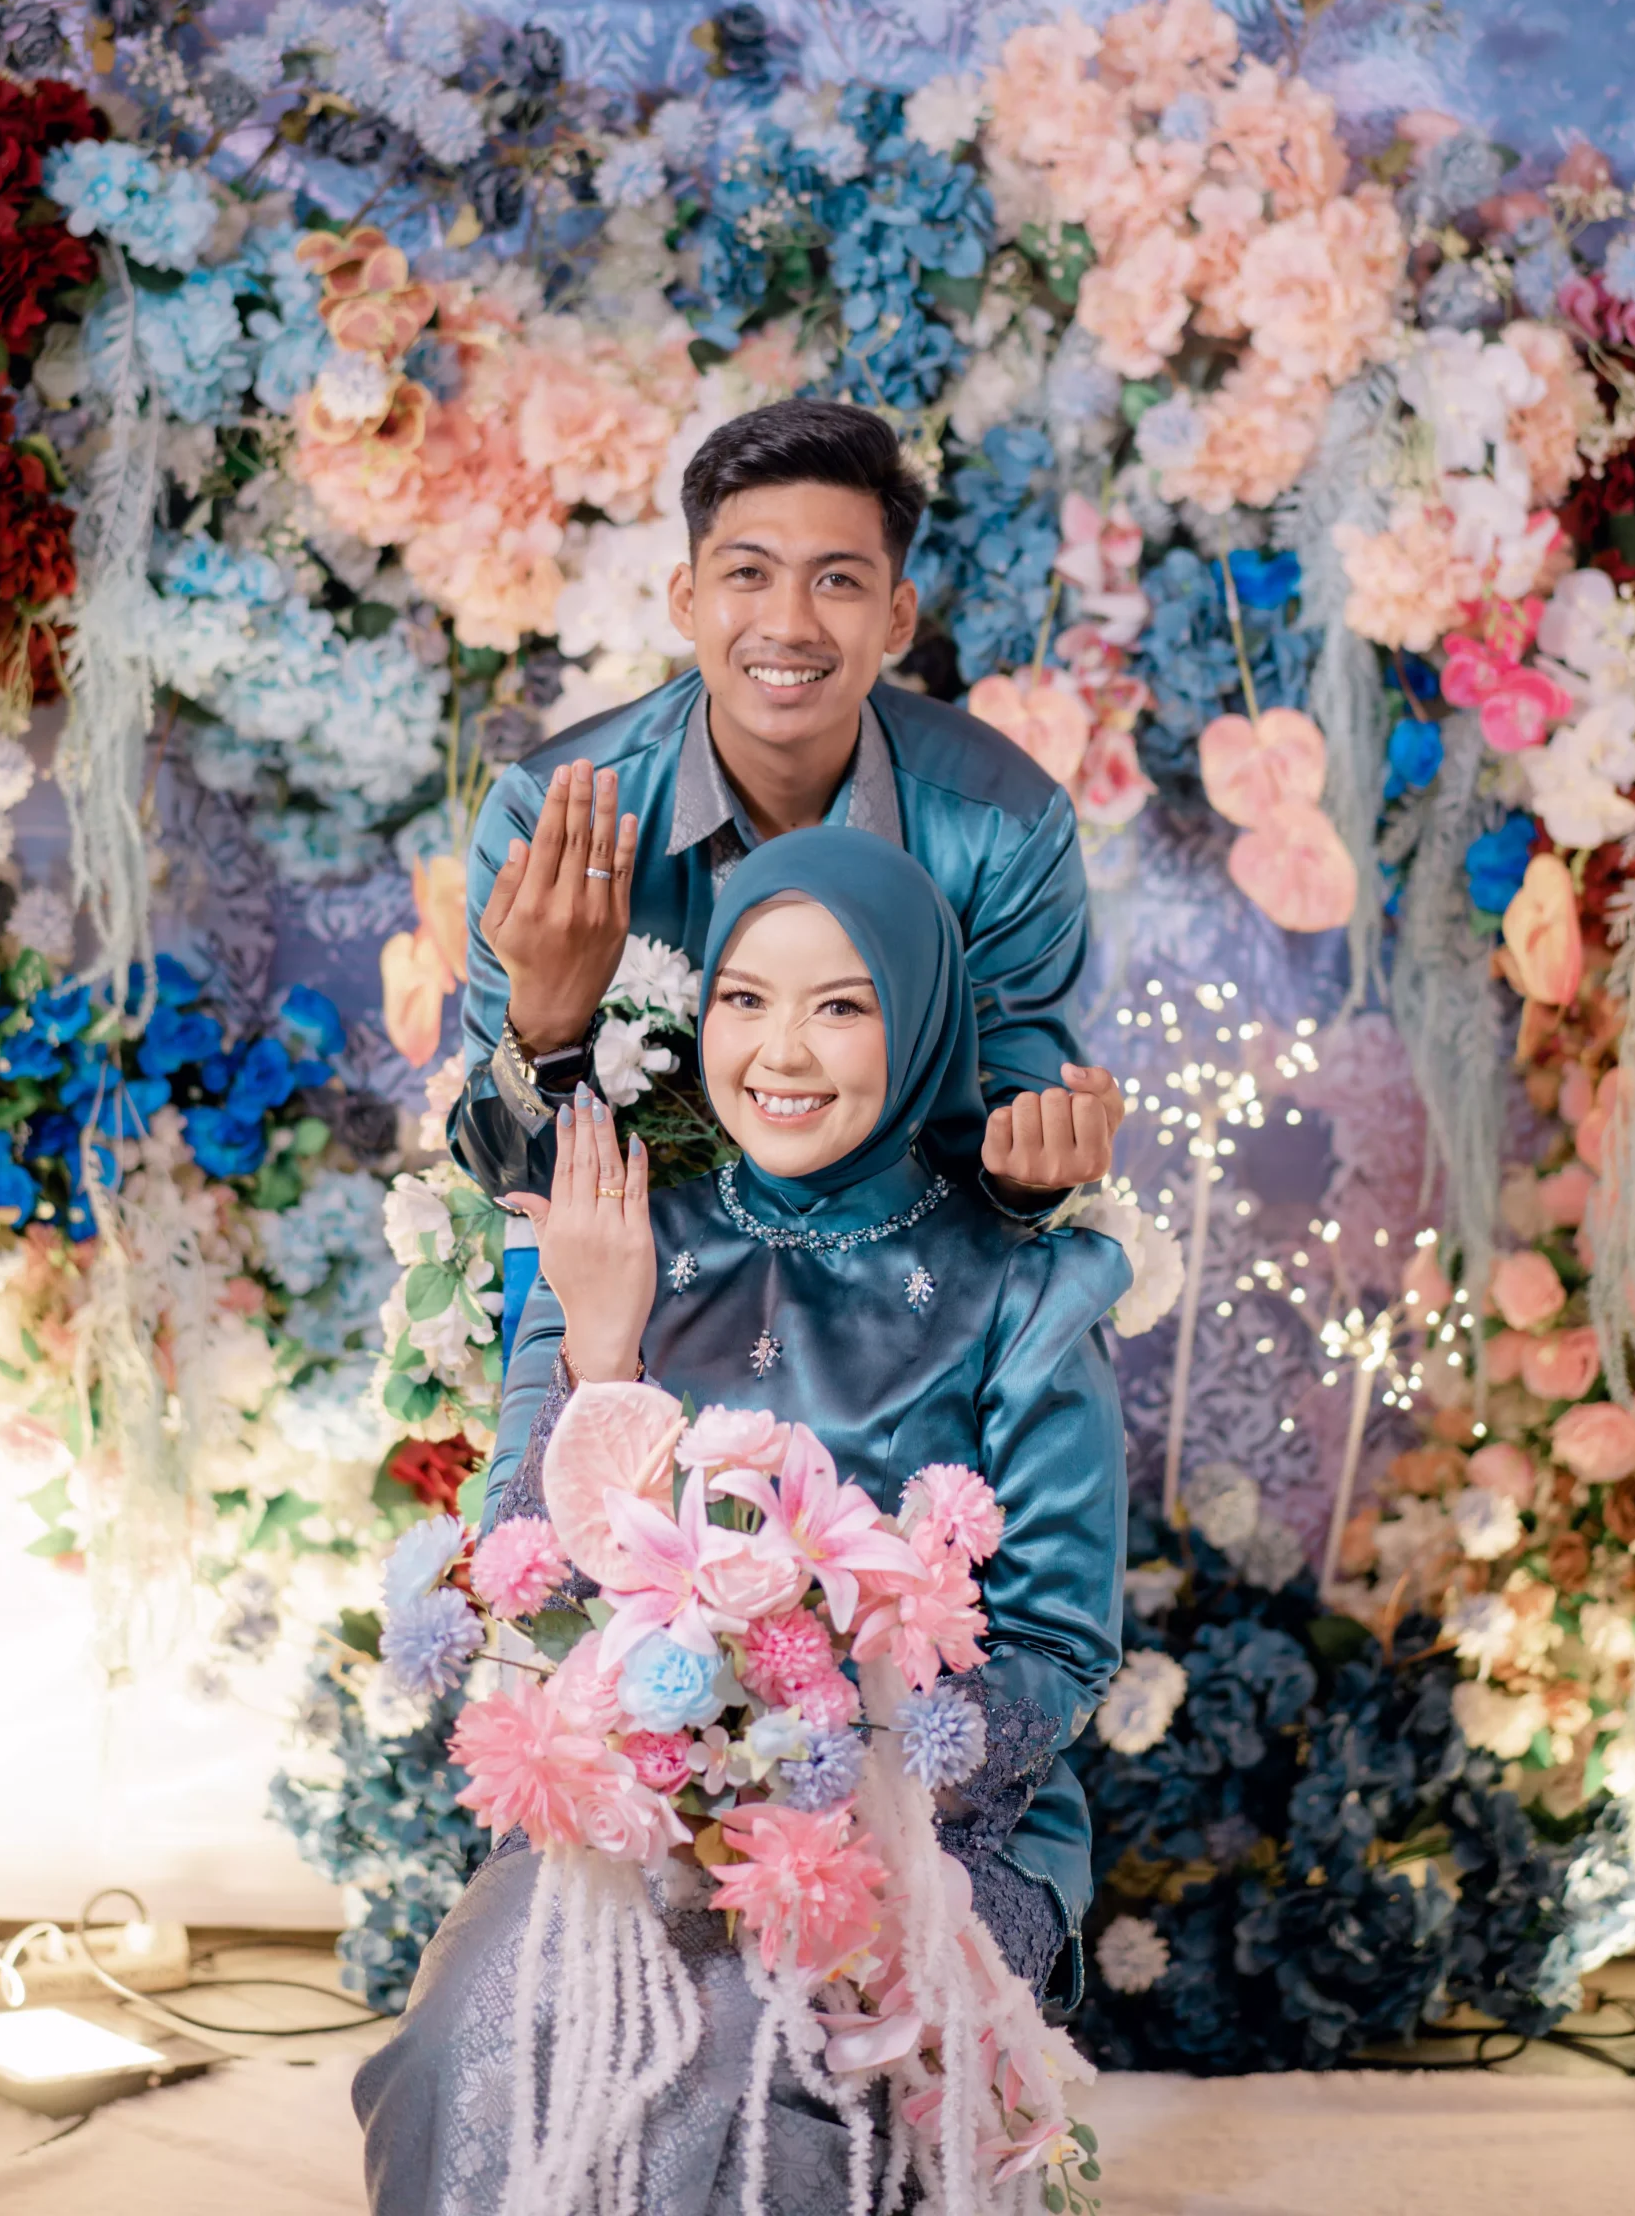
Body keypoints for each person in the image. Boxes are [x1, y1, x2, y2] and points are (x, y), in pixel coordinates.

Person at [355, 830, 1129, 2215]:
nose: (781, 1050)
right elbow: (528, 1576)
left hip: (929, 1828)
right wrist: (601, 1344)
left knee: (755, 2064)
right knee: (481, 2029)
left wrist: (831, 1768)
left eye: (842, 1005)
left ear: (921, 1020)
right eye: (746, 998)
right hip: (636, 1812)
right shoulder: (618, 1226)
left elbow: (1060, 1653)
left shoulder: (1019, 1286)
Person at [451, 396, 1123, 1224]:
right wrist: (546, 1027)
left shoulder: (1002, 829)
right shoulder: (552, 819)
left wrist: (1035, 1168)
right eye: (747, 574)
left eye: (838, 581)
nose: (789, 624)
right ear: (685, 599)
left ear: (897, 616)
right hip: (635, 1263)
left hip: (898, 1264)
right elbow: (506, 1186)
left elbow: (1011, 1128)